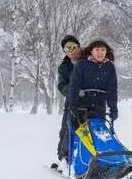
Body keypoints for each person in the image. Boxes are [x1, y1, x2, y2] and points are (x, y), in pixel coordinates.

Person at [67, 39, 119, 126]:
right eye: (97, 50)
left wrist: (113, 108)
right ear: (91, 51)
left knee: (98, 130)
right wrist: (73, 105)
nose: (100, 53)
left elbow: (112, 90)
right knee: (80, 132)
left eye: (103, 50)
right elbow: (74, 86)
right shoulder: (81, 65)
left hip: (99, 106)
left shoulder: (109, 67)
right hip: (81, 105)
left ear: (106, 51)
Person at [51, 35, 80, 171]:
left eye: (73, 47)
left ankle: (89, 159)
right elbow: (61, 85)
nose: (70, 51)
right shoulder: (64, 67)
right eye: (67, 49)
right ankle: (63, 159)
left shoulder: (88, 60)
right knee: (66, 130)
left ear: (78, 46)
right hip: (72, 103)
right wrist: (73, 91)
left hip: (91, 103)